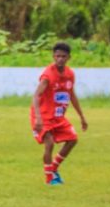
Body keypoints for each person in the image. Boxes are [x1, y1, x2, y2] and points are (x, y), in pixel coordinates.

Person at [31, 42, 88, 185]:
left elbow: (72, 95)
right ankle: (49, 179)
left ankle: (54, 168)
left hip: (57, 116)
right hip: (43, 115)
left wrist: (81, 116)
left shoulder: (70, 74)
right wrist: (38, 118)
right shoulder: (47, 75)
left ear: (69, 57)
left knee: (73, 139)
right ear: (53, 56)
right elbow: (36, 96)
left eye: (63, 56)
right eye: (57, 56)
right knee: (49, 143)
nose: (60, 59)